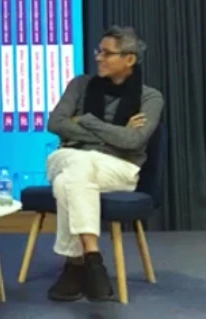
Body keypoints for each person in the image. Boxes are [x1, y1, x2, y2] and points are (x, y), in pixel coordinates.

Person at [46, 26, 164, 302]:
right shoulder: (80, 85)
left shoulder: (150, 97)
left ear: (129, 59)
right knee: (79, 162)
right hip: (67, 157)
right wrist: (117, 132)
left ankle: (75, 266)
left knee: (67, 182)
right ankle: (92, 258)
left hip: (119, 167)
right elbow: (55, 123)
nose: (98, 57)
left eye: (107, 53)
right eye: (98, 51)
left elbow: (134, 141)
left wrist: (86, 121)